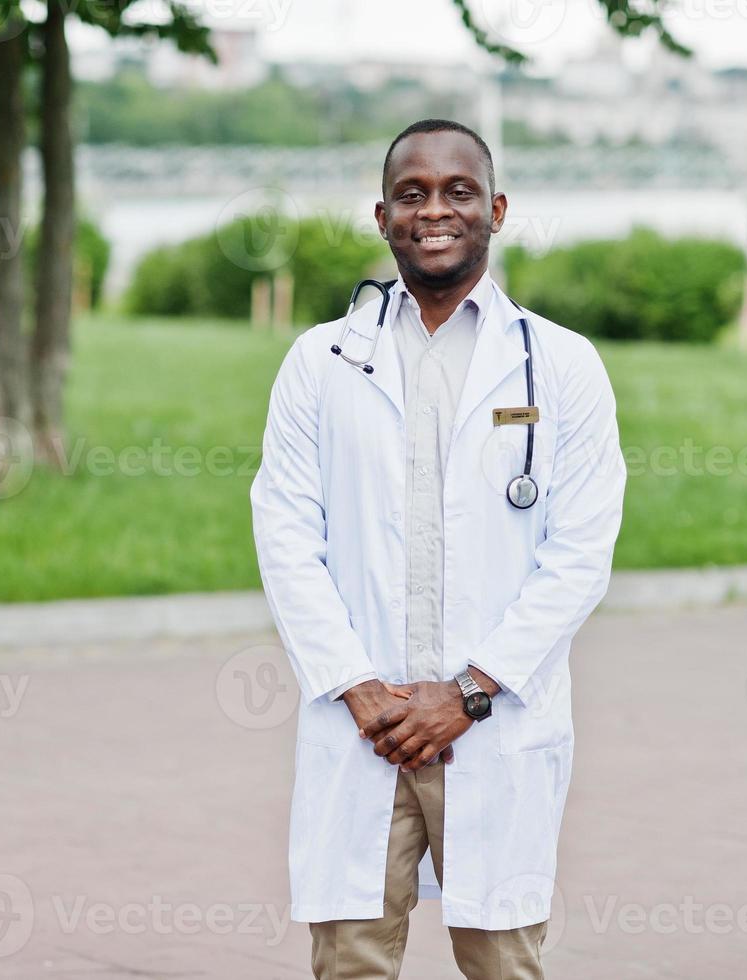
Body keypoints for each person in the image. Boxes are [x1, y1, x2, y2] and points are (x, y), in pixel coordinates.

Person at [249, 118, 627, 980]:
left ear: (494, 209)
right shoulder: (319, 362)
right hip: (365, 728)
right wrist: (356, 687)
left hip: (491, 724)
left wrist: (468, 690)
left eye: (458, 192)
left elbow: (579, 556)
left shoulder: (560, 366)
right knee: (347, 961)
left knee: (502, 959)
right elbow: (283, 532)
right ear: (381, 218)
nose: (435, 211)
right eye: (411, 195)